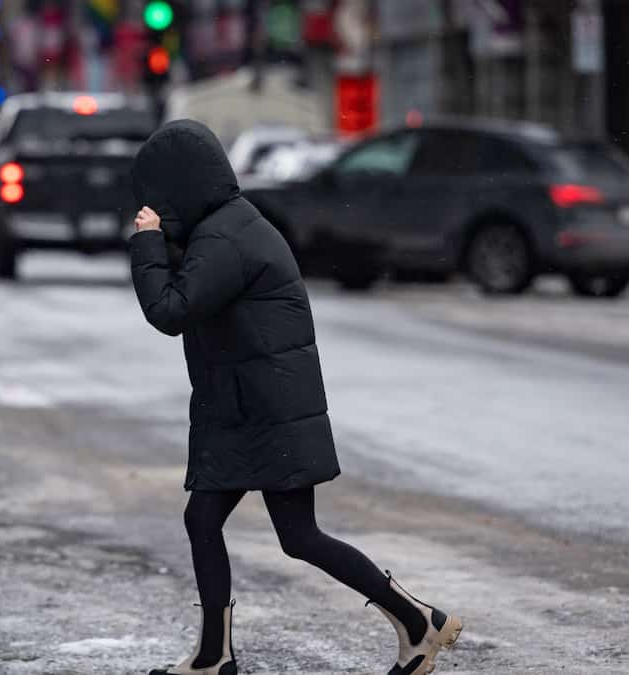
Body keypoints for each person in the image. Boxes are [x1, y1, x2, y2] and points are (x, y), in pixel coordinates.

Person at [130, 120, 463, 675]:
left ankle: (415, 620)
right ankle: (216, 656)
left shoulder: (226, 239)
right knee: (212, 521)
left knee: (295, 535)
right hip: (254, 409)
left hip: (265, 414)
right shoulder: (228, 227)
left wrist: (145, 242)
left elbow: (169, 310)